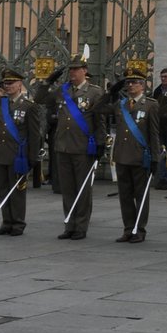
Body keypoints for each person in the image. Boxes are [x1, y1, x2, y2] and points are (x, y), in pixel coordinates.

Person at [34, 55, 105, 241]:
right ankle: (69, 223)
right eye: (70, 70)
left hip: (83, 147)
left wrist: (100, 143)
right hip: (63, 146)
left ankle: (81, 226)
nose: (72, 73)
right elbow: (39, 99)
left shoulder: (94, 92)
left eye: (76, 69)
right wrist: (48, 81)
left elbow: (100, 121)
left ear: (84, 70)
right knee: (67, 189)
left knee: (82, 189)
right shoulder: (62, 91)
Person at [94, 62, 165, 244]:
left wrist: (156, 158)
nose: (131, 85)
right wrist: (110, 93)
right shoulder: (120, 104)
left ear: (142, 85)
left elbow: (155, 133)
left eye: (134, 82)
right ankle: (128, 228)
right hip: (122, 156)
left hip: (141, 157)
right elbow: (98, 109)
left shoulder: (150, 105)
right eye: (128, 83)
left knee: (141, 196)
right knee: (125, 196)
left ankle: (139, 229)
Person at [0, 69, 45, 236]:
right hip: (0, 152)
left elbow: (35, 134)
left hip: (18, 155)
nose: (8, 86)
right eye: (5, 83)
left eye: (11, 83)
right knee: (4, 189)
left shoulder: (29, 106)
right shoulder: (1, 103)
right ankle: (6, 222)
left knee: (17, 191)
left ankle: (18, 223)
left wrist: (33, 157)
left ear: (20, 84)